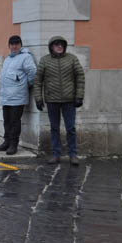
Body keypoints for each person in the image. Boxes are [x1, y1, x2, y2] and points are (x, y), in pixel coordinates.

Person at [34, 36, 85, 166]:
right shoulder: (45, 60)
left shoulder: (72, 59)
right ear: (51, 46)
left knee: (71, 128)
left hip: (69, 100)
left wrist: (79, 96)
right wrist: (38, 99)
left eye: (61, 44)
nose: (59, 46)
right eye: (56, 44)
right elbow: (38, 81)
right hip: (52, 100)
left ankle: (73, 154)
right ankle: (56, 154)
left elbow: (80, 76)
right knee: (54, 128)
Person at [0, 35, 37, 155]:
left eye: (17, 44)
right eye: (12, 44)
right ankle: (6, 142)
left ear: (20, 45)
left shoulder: (26, 57)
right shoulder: (8, 58)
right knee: (6, 121)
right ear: (9, 46)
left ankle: (14, 144)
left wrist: (27, 85)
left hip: (18, 96)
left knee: (15, 121)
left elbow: (33, 72)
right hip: (6, 96)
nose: (14, 46)